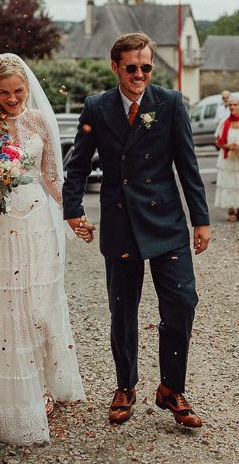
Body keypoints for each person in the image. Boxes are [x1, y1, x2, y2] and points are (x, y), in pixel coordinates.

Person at [63, 32, 210, 428]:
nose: (140, 74)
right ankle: (125, 386)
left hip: (167, 223)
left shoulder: (172, 103)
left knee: (182, 303)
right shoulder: (97, 107)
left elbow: (188, 166)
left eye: (146, 67)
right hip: (120, 223)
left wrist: (202, 219)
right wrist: (73, 210)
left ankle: (172, 389)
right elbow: (77, 164)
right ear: (115, 67)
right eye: (132, 67)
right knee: (123, 311)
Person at [0, 54, 85, 445]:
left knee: (37, 303)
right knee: (3, 307)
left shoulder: (37, 121)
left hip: (34, 221)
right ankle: (6, 393)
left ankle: (43, 383)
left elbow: (52, 177)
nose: (12, 98)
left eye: (18, 91)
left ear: (27, 87)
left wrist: (73, 216)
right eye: (4, 93)